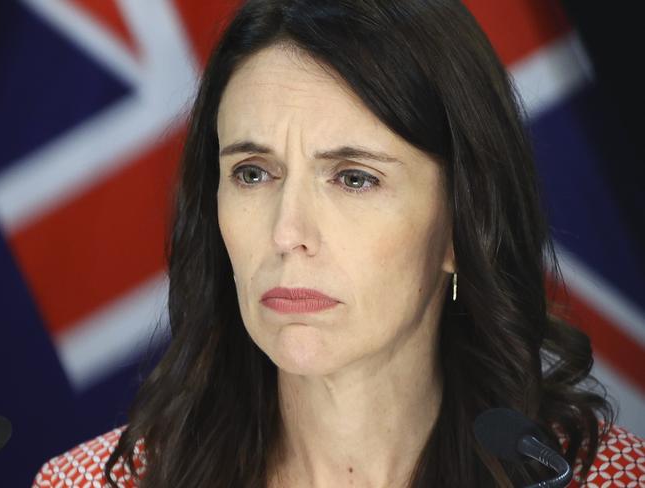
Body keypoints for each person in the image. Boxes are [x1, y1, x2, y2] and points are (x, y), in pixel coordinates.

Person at [32, 0, 644, 487]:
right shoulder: (87, 484)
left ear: (461, 225)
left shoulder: (602, 482)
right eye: (253, 173)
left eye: (354, 178)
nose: (286, 233)